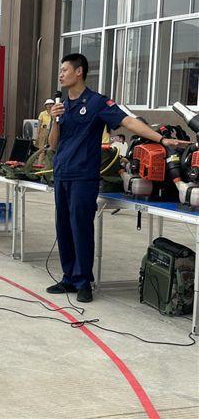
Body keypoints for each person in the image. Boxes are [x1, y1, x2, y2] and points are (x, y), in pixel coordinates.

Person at [46, 53, 190, 302]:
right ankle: (69, 277)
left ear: (79, 72)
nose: (60, 74)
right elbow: (52, 145)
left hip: (83, 176)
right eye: (60, 70)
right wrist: (54, 120)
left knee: (80, 227)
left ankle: (84, 282)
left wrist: (161, 139)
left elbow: (129, 123)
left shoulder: (96, 102)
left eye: (65, 70)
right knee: (64, 227)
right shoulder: (61, 106)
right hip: (62, 174)